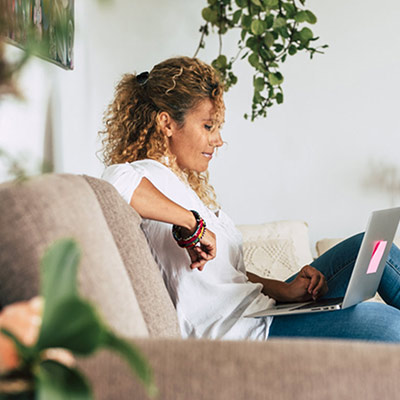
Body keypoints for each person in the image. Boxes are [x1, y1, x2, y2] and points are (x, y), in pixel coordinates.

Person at [100, 56, 400, 342]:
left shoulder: (180, 184)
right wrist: (193, 222)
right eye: (208, 126)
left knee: (374, 248)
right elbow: (115, 183)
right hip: (238, 331)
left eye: (218, 128)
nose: (218, 140)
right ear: (167, 124)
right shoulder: (144, 174)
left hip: (259, 310)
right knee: (387, 324)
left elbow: (229, 276)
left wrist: (284, 290)